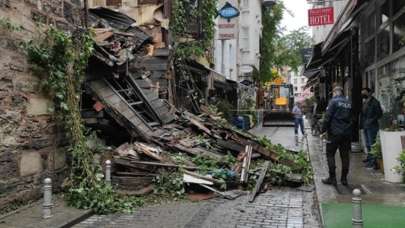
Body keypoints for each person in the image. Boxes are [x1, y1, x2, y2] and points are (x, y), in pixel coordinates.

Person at [321, 86, 352, 186]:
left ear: (335, 92)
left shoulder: (333, 101)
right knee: (345, 156)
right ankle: (344, 179)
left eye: (333, 92)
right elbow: (352, 118)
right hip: (346, 133)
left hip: (334, 133)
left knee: (330, 154)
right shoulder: (348, 103)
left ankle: (332, 178)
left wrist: (323, 130)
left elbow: (327, 117)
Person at [360, 88, 383, 169]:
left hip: (372, 126)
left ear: (369, 93)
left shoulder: (375, 102)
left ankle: (373, 162)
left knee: (371, 144)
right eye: (362, 93)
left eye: (364, 93)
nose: (363, 94)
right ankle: (369, 159)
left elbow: (379, 114)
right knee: (367, 144)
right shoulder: (365, 101)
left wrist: (371, 120)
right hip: (366, 125)